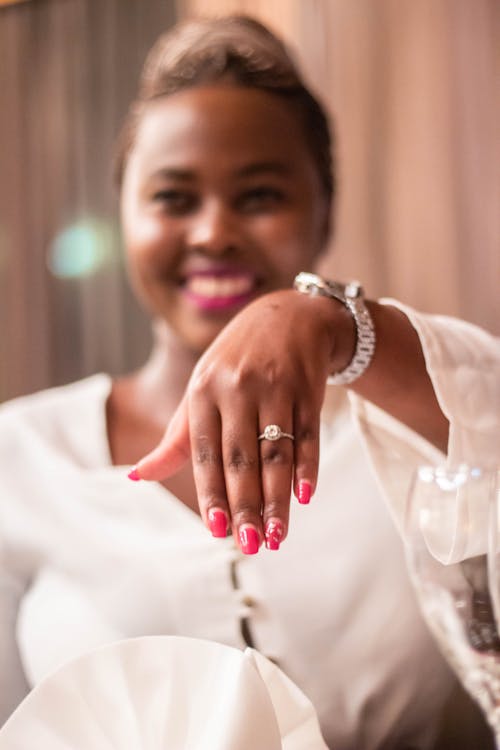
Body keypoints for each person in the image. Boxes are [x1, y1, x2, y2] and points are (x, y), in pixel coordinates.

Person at [0, 13, 498, 750]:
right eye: (173, 198)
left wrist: (340, 324)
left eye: (260, 196)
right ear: (126, 214)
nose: (213, 233)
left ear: (324, 211)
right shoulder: (20, 456)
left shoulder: (414, 430)